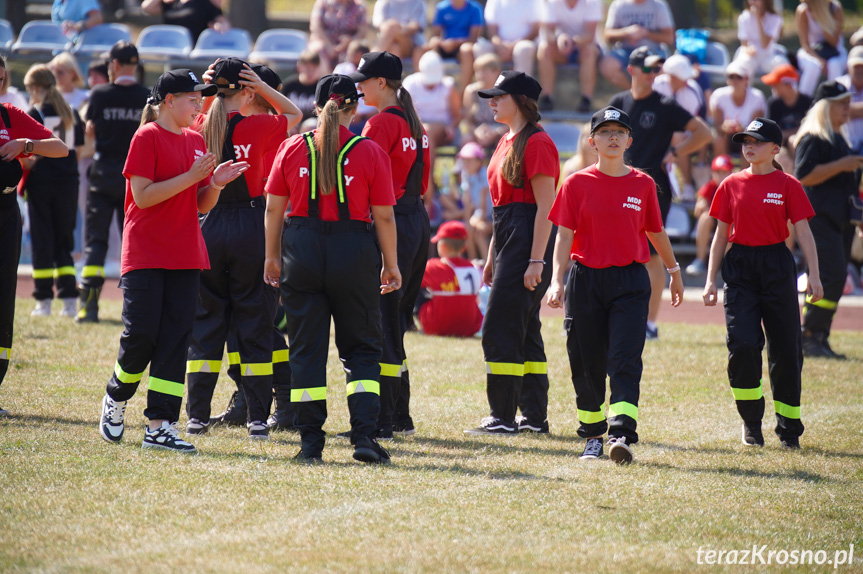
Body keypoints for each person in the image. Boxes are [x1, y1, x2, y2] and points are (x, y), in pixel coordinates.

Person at [98, 69, 248, 453]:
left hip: (185, 253)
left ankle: (159, 426)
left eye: (201, 97)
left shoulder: (196, 140)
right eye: (192, 97)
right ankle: (116, 396)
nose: (200, 103)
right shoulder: (146, 136)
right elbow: (143, 196)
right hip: (147, 252)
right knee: (142, 335)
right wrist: (191, 176)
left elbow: (200, 204)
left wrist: (214, 183)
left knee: (175, 341)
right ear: (168, 101)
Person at [263, 74, 401, 464]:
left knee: (306, 350)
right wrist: (391, 265)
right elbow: (385, 218)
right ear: (354, 108)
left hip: (300, 249)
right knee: (361, 349)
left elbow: (274, 208)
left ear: (316, 107)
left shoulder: (292, 147)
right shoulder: (370, 151)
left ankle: (310, 443)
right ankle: (363, 437)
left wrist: (272, 257)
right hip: (353, 250)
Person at [547, 106, 683, 463]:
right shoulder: (575, 183)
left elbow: (656, 230)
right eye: (605, 132)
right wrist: (555, 281)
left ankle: (620, 433)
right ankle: (593, 435)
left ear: (629, 141)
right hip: (585, 279)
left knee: (625, 358)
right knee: (585, 359)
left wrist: (674, 270)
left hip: (630, 281)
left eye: (619, 132)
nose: (612, 138)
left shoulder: (643, 183)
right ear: (592, 142)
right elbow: (564, 236)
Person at [184, 58, 300, 440]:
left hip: (208, 222)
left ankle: (196, 416)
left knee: (206, 324)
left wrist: (208, 91)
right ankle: (255, 419)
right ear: (247, 91)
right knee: (254, 321)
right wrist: (262, 88)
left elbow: (195, 112)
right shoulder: (261, 124)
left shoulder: (200, 124)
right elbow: (294, 112)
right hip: (251, 225)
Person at [703, 117, 822, 449]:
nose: (749, 147)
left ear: (775, 149)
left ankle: (788, 430)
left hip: (777, 266)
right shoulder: (730, 184)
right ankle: (751, 422)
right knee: (742, 345)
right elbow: (719, 237)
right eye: (745, 141)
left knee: (786, 349)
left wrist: (813, 274)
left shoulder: (789, 185)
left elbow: (804, 233)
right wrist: (711, 280)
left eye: (756, 142)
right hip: (740, 267)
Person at [463, 71, 559, 436]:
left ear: (519, 100)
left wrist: (536, 260)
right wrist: (491, 255)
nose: (492, 101)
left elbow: (545, 208)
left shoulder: (537, 142)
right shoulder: (508, 139)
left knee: (500, 327)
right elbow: (501, 207)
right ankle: (534, 417)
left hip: (527, 238)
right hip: (508, 234)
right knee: (525, 330)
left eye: (499, 96)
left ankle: (502, 417)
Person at [348, 52, 431, 438]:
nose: (358, 87)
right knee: (394, 321)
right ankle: (400, 416)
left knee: (379, 322)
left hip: (391, 220)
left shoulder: (379, 124)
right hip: (416, 221)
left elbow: (362, 178)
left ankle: (382, 420)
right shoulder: (417, 124)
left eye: (364, 80)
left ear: (382, 82)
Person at [608, 46, 712, 340]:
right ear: (631, 70)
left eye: (657, 69)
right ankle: (620, 316)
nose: (654, 74)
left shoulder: (665, 104)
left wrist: (675, 152)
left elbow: (705, 133)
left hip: (653, 189)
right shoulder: (619, 102)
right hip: (618, 187)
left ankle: (650, 323)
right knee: (619, 252)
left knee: (652, 256)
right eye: (649, 68)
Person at [0, 55, 69, 417]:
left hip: (7, 215)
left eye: (0, 79)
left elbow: (60, 147)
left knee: (3, 303)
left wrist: (25, 144)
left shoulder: (10, 114)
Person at [75, 42, 150, 324]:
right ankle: (134, 307)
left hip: (103, 171)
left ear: (114, 65)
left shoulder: (100, 93)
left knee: (96, 242)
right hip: (136, 175)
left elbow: (89, 129)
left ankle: (88, 307)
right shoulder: (146, 96)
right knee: (133, 242)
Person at [794, 81, 863, 358]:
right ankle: (809, 333)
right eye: (841, 103)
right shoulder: (813, 137)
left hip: (841, 221)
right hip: (818, 220)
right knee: (827, 276)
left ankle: (820, 335)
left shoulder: (839, 139)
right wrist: (841, 165)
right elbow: (803, 175)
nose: (847, 107)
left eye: (848, 102)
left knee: (835, 279)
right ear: (826, 107)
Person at [22, 64, 84, 318]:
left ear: (36, 88)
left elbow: (29, 156)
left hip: (42, 185)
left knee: (42, 242)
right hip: (68, 185)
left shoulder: (33, 114)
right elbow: (77, 153)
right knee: (64, 241)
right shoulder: (70, 112)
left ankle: (43, 300)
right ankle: (70, 298)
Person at [416, 220, 484, 337]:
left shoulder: (433, 266)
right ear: (464, 248)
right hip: (469, 326)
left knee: (416, 287)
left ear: (441, 246)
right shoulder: (474, 267)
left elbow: (414, 281)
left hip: (436, 325)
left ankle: (414, 324)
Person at [537, 0, 603, 112]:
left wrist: (571, 42)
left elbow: (590, 35)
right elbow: (547, 32)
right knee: (544, 48)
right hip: (561, 50)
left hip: (584, 49)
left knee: (589, 51)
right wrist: (558, 39)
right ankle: (547, 97)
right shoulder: (553, 4)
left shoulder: (592, 3)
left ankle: (586, 99)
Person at [599, 0, 675, 90]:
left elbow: (669, 38)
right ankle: (633, 93)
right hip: (624, 51)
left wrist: (645, 33)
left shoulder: (659, 6)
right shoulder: (618, 5)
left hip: (652, 51)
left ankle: (647, 96)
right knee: (607, 66)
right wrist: (626, 33)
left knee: (659, 70)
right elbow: (607, 36)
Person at [685, 154, 734, 276]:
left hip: (731, 222)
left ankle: (730, 262)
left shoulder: (735, 186)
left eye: (724, 172)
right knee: (705, 218)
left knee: (734, 224)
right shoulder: (710, 187)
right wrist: (701, 204)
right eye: (717, 172)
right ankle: (700, 260)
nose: (720, 175)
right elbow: (699, 208)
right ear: (712, 173)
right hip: (714, 222)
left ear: (731, 172)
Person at [710, 62, 767, 162]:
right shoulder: (719, 96)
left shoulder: (757, 97)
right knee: (719, 140)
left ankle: (745, 177)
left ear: (746, 79)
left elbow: (755, 131)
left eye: (738, 77)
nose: (735, 80)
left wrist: (743, 129)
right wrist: (724, 127)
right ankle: (722, 173)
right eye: (731, 77)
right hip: (726, 138)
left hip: (747, 138)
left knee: (749, 142)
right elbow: (718, 127)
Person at [425, 0, 485, 97]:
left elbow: (473, 38)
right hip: (444, 46)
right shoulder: (441, 7)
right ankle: (428, 92)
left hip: (463, 47)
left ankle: (463, 96)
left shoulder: (475, 8)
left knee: (467, 50)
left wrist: (454, 43)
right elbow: (436, 35)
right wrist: (441, 43)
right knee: (426, 48)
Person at [475, 0, 542, 77]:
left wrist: (511, 47)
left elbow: (535, 31)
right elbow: (492, 31)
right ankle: (487, 87)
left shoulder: (534, 1)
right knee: (481, 47)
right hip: (499, 46)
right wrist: (500, 46)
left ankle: (521, 87)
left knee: (524, 48)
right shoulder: (494, 1)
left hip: (524, 44)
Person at [796, 0, 846, 97]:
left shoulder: (835, 8)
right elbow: (805, 44)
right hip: (812, 53)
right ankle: (803, 104)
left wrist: (822, 19)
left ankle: (835, 101)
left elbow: (834, 43)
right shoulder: (803, 10)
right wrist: (820, 60)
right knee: (813, 67)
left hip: (835, 53)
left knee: (834, 65)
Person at [462, 54, 508, 149]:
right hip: (479, 132)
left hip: (501, 132)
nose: (480, 75)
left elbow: (512, 121)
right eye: (478, 71)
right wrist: (476, 132)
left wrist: (496, 132)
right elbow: (467, 121)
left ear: (496, 72)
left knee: (508, 139)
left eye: (484, 71)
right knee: (466, 140)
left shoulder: (507, 92)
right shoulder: (471, 91)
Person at [733, 0, 786, 77]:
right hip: (750, 58)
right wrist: (748, 49)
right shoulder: (743, 18)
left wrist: (758, 18)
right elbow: (744, 44)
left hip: (768, 58)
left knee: (783, 66)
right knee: (738, 67)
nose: (753, 3)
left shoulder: (775, 18)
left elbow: (764, 45)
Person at [309, 0, 368, 69]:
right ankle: (324, 78)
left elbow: (362, 31)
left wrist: (350, 40)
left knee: (357, 52)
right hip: (325, 42)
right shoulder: (323, 3)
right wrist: (328, 46)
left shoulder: (360, 6)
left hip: (349, 45)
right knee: (317, 49)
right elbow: (316, 26)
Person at [141, 0, 229, 42]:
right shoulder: (171, 3)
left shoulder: (205, 3)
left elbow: (222, 21)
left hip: (194, 53)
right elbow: (147, 8)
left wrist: (219, 26)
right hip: (173, 48)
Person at [280, 51, 324, 132]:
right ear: (299, 67)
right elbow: (280, 108)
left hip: (314, 124)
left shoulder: (322, 87)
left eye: (313, 69)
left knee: (309, 125)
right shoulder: (290, 85)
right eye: (307, 69)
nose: (310, 72)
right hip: (294, 121)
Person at [836, 46, 863, 153]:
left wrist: (848, 110)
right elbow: (833, 113)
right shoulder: (838, 85)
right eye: (856, 66)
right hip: (842, 146)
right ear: (848, 67)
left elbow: (842, 111)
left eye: (862, 66)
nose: (860, 70)